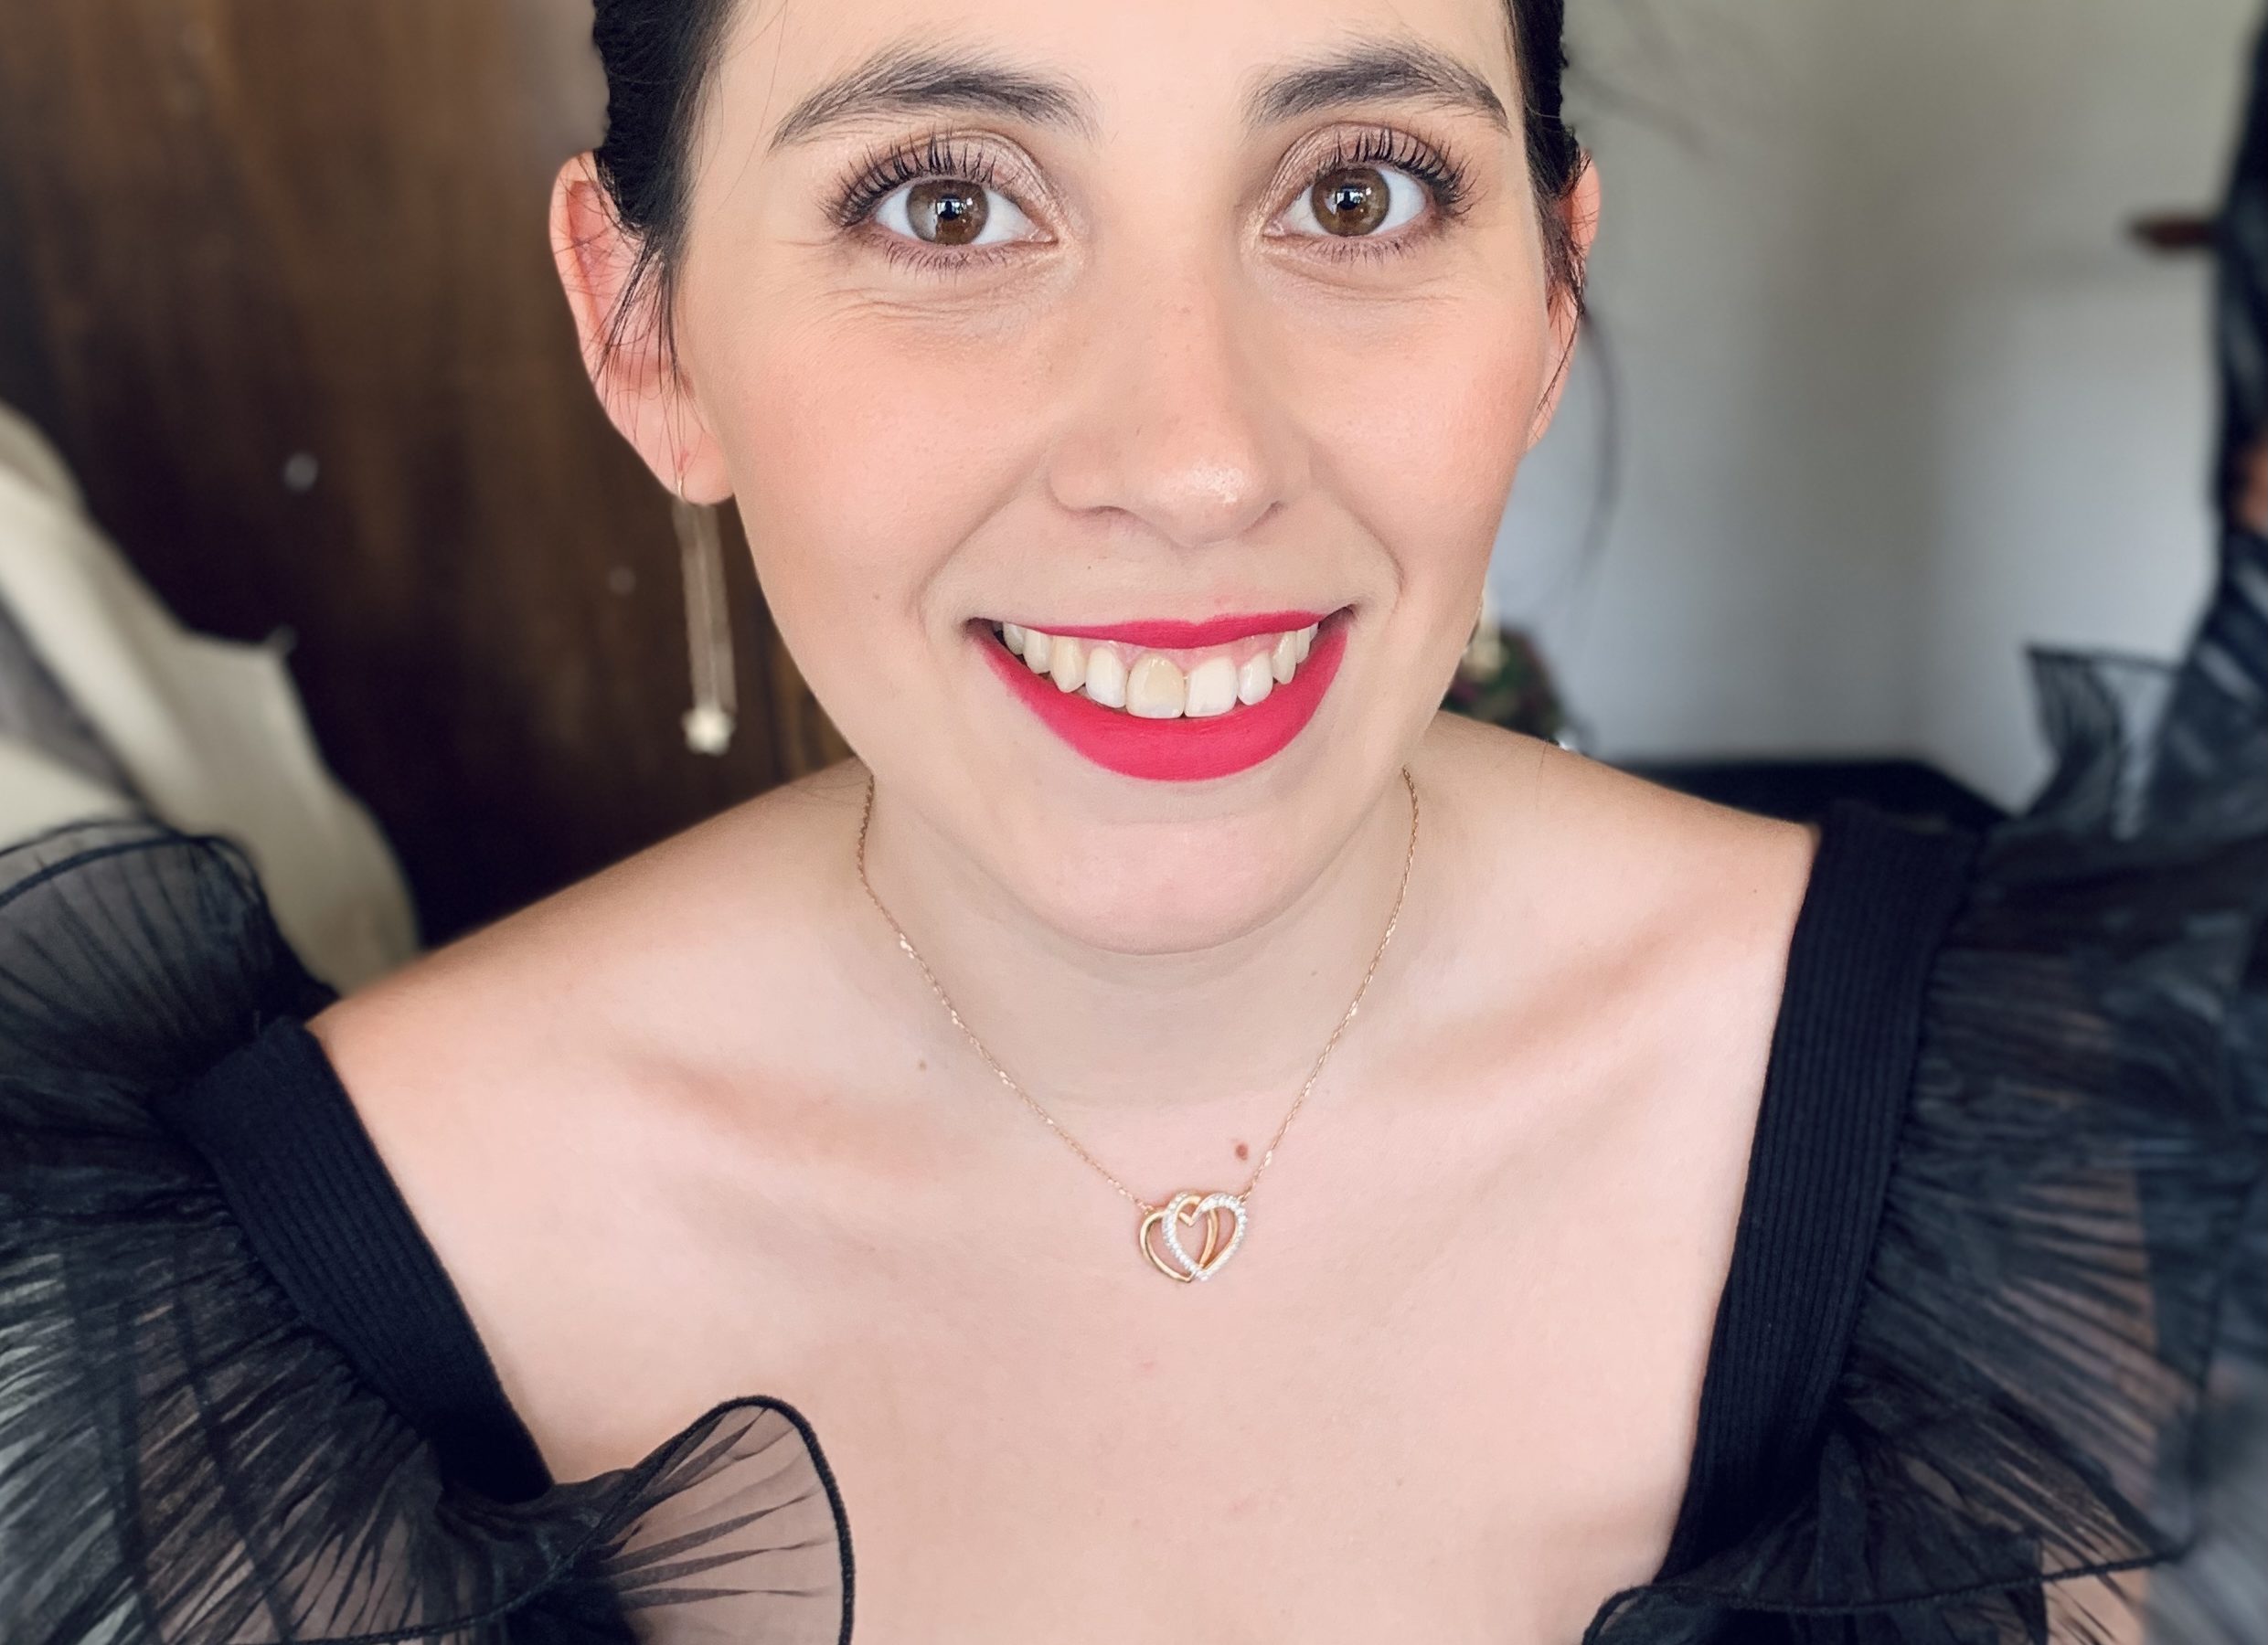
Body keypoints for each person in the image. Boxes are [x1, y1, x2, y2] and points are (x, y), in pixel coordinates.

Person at [1, 1, 2261, 1640]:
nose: (1192, 459)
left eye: (1355, 190)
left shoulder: (1966, 1088)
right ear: (646, 330)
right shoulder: (280, 1282)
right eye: (946, 201)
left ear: (1550, 289)